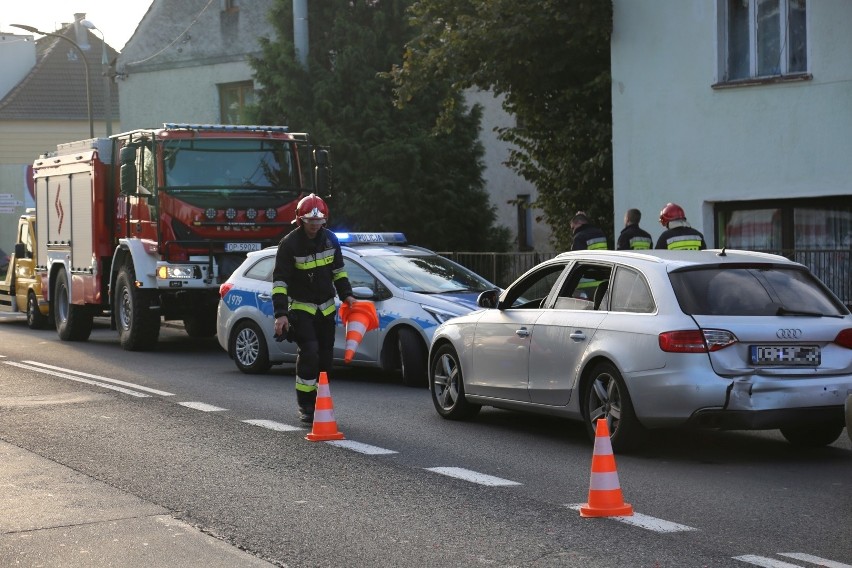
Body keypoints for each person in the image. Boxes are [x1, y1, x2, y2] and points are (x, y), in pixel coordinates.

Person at [272, 194, 354, 423]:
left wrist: (347, 295)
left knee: (326, 359)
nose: (314, 224)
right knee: (309, 353)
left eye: (318, 220)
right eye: (310, 220)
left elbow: (339, 271)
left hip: (327, 309)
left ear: (324, 220)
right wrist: (281, 314)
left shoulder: (331, 240)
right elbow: (280, 282)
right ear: (300, 220)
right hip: (301, 309)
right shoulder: (289, 244)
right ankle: (306, 406)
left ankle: (321, 400)